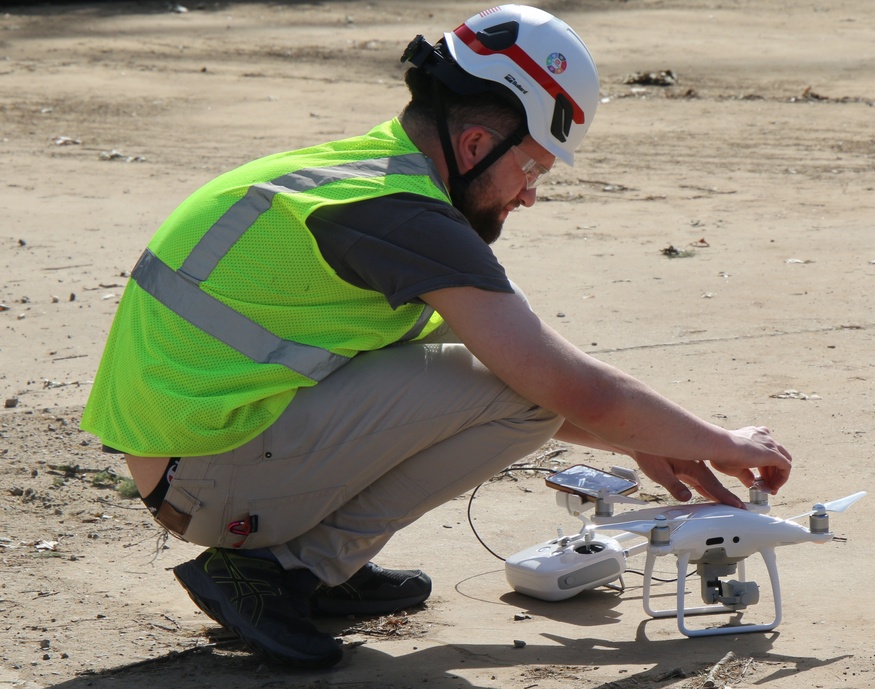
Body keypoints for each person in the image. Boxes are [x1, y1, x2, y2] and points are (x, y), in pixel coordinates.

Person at [80, 4, 792, 669]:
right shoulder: (405, 215)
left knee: (495, 380)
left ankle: (308, 561)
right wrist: (722, 444)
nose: (531, 193)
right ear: (478, 141)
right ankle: (287, 568)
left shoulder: (365, 174)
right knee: (529, 397)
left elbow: (504, 380)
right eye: (534, 165)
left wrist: (646, 436)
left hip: (191, 453)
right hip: (207, 474)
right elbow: (558, 385)